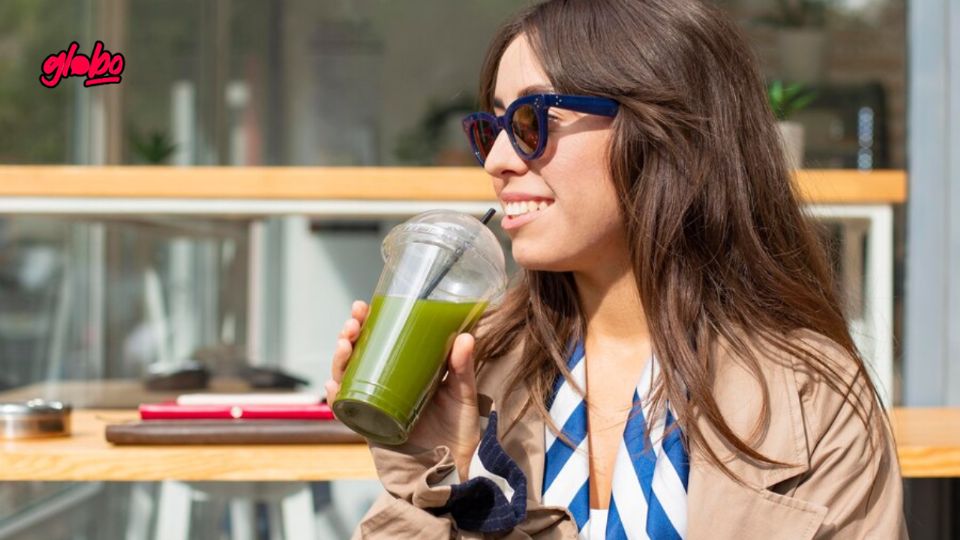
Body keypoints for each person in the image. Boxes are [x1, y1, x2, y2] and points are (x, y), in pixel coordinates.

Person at [326, 0, 908, 537]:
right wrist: (454, 473)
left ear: (664, 133)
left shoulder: (811, 401)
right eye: (492, 128)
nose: (499, 161)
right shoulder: (476, 373)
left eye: (531, 122)